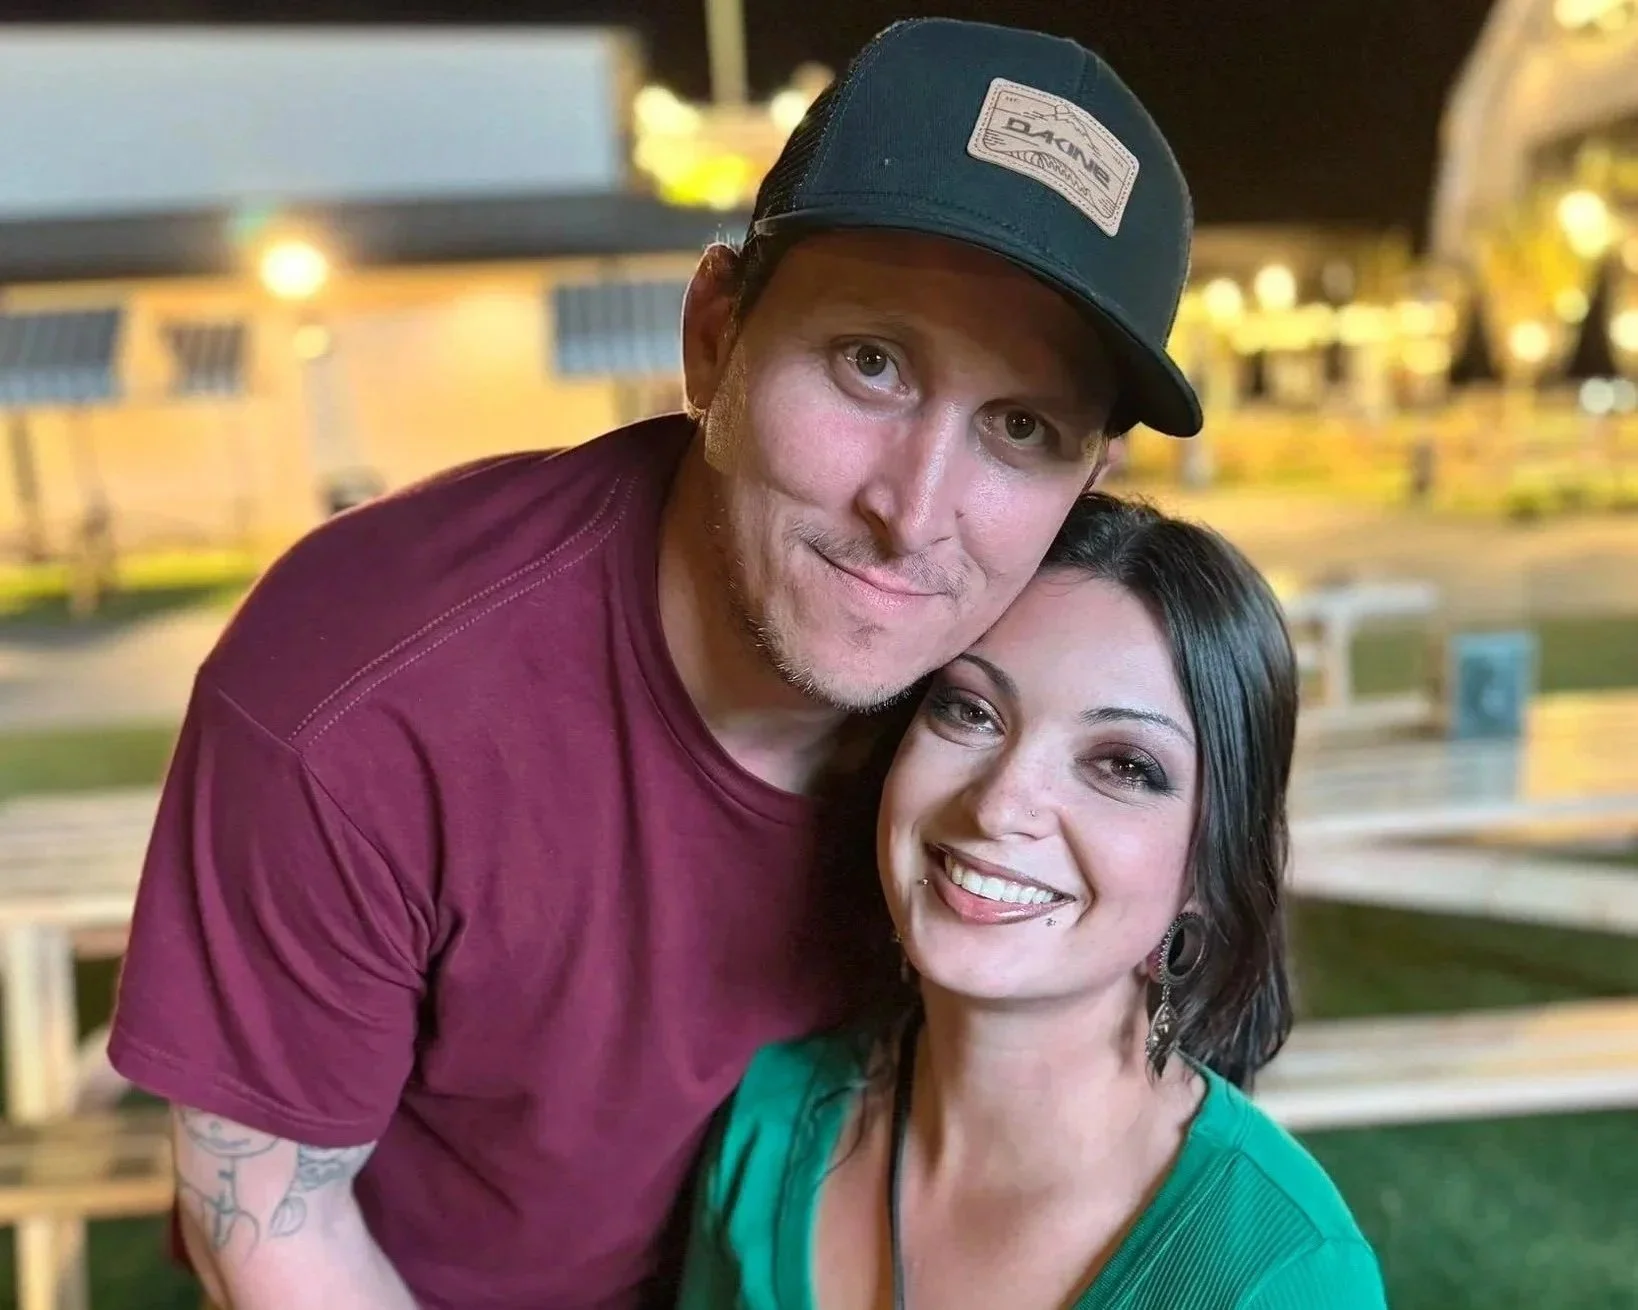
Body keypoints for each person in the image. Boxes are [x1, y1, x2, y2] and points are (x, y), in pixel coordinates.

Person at [107, 17, 1204, 1310]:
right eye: (870, 362)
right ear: (712, 335)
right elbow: (273, 1218)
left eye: (1019, 427)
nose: (913, 511)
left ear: (1087, 481)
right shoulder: (365, 687)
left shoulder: (1032, 707)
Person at [679, 494, 1388, 1309]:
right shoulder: (771, 1124)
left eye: (1123, 765)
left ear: (1208, 870)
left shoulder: (1282, 1273)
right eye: (972, 711)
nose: (999, 805)